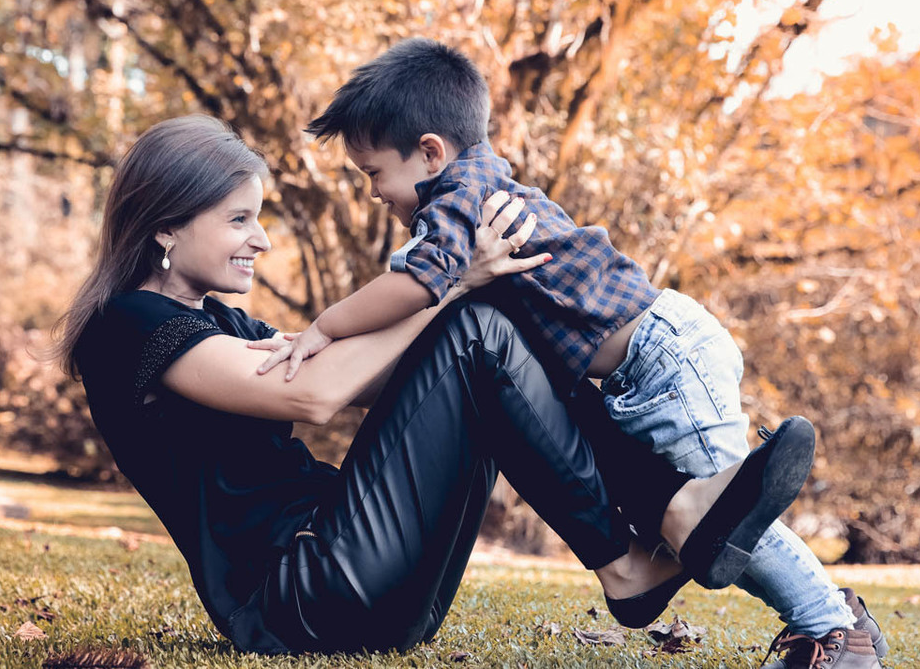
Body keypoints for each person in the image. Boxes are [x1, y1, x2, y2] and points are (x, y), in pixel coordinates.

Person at [54, 114, 821, 656]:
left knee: (496, 332)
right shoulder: (128, 325)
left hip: (363, 578)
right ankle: (629, 558)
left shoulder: (226, 323)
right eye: (237, 220)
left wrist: (469, 288)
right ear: (164, 226)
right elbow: (310, 398)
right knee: (476, 328)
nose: (259, 239)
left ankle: (668, 511)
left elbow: (367, 383)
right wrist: (451, 288)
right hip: (301, 594)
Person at [259, 38, 888, 668]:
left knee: (720, 522)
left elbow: (417, 285)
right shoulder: (478, 187)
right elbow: (431, 319)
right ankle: (830, 619)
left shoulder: (454, 197)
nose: (374, 193)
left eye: (373, 174)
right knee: (705, 523)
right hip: (644, 368)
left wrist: (324, 327)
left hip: (663, 357)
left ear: (429, 152)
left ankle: (831, 626)